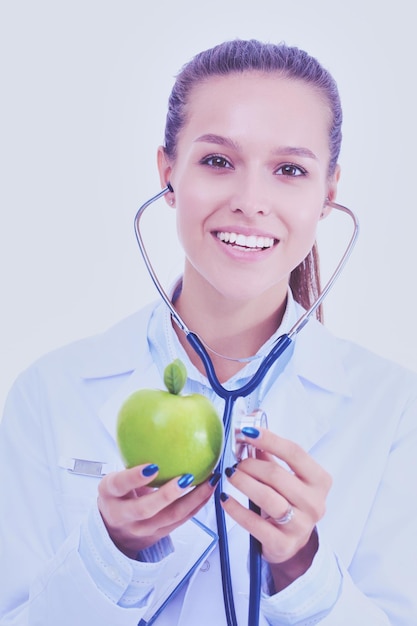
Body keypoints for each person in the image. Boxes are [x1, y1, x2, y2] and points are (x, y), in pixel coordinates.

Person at [0, 38, 416, 626]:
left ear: (328, 193)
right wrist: (109, 554)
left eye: (290, 170)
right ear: (168, 173)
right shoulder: (50, 392)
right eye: (218, 161)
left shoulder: (395, 409)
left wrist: (302, 568)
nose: (250, 202)